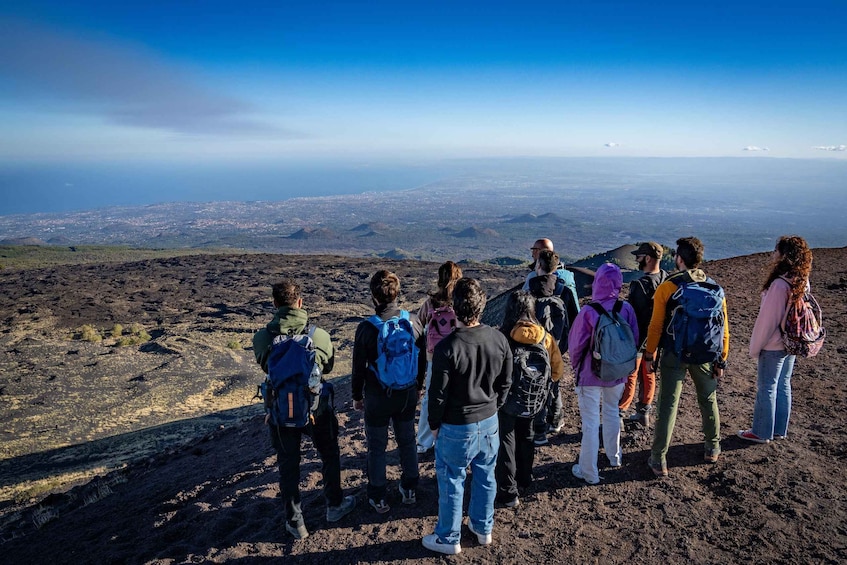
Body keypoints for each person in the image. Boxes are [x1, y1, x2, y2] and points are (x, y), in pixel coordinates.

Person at [252, 280, 356, 539]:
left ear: (274, 304)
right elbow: (328, 368)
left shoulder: (262, 338)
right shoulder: (318, 336)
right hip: (316, 408)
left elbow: (268, 369)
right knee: (329, 454)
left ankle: (295, 522)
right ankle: (334, 505)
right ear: (300, 302)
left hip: (280, 411)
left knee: (289, 465)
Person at [423, 278, 512, 555]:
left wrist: (435, 425)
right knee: (486, 476)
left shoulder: (447, 348)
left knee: (451, 479)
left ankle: (449, 538)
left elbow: (437, 395)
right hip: (488, 422)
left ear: (455, 308)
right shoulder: (498, 339)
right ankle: (483, 528)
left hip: (455, 426)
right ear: (481, 306)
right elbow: (506, 382)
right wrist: (493, 408)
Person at [643, 237, 730, 477]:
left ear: (679, 259)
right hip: (706, 355)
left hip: (675, 353)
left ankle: (658, 459)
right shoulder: (715, 288)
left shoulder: (669, 286)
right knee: (708, 399)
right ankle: (713, 447)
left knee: (668, 406)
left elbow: (656, 325)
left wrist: (649, 354)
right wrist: (721, 359)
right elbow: (724, 328)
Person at [352, 270, 426, 514]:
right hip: (406, 393)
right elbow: (422, 358)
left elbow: (358, 368)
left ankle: (379, 495)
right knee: (407, 441)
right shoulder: (413, 321)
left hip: (377, 396)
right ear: (397, 292)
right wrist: (419, 386)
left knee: (377, 446)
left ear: (373, 296)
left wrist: (356, 397)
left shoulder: (367, 328)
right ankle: (410, 488)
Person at [568, 263, 639, 485]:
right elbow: (633, 340)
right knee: (611, 413)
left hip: (590, 375)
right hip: (617, 373)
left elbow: (576, 346)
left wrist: (576, 368)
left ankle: (589, 471)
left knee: (590, 423)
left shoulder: (589, 312)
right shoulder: (625, 309)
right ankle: (614, 456)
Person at [738, 236, 812, 444]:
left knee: (767, 386)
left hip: (773, 345)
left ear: (784, 255)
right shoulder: (801, 280)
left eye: (776, 251)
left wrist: (755, 348)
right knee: (783, 384)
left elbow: (767, 321)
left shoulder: (779, 284)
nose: (773, 254)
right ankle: (779, 429)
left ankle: (761, 432)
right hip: (792, 342)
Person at [495, 290, 564, 507]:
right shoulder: (545, 337)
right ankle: (525, 479)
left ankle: (508, 492)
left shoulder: (503, 337)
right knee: (527, 435)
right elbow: (557, 371)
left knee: (506, 441)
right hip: (534, 400)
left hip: (507, 401)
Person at [416, 261, 463, 454]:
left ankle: (424, 441)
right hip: (458, 355)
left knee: (431, 398)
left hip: (433, 357)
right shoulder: (460, 303)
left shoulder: (430, 303)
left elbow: (418, 327)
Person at [619, 242, 668, 426]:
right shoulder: (666, 278)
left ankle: (620, 413)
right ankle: (644, 413)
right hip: (656, 339)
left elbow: (634, 315)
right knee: (649, 373)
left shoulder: (640, 285)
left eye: (639, 257)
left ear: (647, 258)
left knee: (630, 375)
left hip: (638, 338)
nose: (637, 260)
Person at [526, 249, 570, 445]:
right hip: (557, 344)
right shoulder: (564, 288)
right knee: (555, 381)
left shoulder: (531, 291)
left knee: (538, 386)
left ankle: (540, 431)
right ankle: (557, 419)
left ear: (539, 266)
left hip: (537, 346)